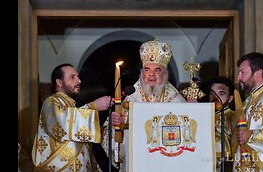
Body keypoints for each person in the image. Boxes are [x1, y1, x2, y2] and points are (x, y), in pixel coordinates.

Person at [105, 38, 187, 172]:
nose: (151, 75)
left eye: (157, 70)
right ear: (142, 73)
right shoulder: (131, 97)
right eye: (147, 69)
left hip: (167, 162)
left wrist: (193, 110)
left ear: (165, 74)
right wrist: (116, 125)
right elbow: (110, 136)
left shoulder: (176, 99)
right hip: (136, 162)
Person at [31, 63, 114, 171]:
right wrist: (93, 106)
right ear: (59, 82)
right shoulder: (51, 102)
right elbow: (62, 122)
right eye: (72, 77)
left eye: (78, 76)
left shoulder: (72, 107)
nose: (79, 81)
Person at [206, 76, 236, 172]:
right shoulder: (203, 116)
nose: (215, 97)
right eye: (212, 93)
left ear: (230, 98)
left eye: (221, 93)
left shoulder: (234, 117)